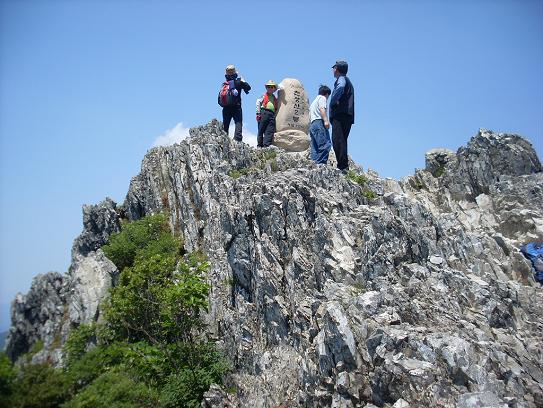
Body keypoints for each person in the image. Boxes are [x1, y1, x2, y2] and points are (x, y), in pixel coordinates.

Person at [329, 60, 355, 173]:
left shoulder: (342, 79)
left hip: (340, 114)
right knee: (342, 140)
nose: (333, 70)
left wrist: (333, 101)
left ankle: (343, 167)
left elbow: (340, 88)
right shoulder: (346, 80)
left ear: (337, 69)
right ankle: (343, 166)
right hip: (347, 115)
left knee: (337, 139)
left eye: (334, 68)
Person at [219, 64, 251, 142]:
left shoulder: (225, 84)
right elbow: (248, 88)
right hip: (237, 107)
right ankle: (237, 139)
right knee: (238, 122)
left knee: (225, 124)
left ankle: (224, 139)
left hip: (226, 107)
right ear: (234, 73)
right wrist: (244, 81)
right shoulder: (238, 81)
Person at [309, 85, 332, 164]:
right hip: (319, 122)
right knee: (325, 144)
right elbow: (322, 109)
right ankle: (321, 164)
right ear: (326, 94)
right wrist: (326, 121)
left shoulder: (313, 102)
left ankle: (313, 164)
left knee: (315, 147)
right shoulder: (322, 98)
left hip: (312, 124)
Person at [256, 80, 279, 148]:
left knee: (269, 131)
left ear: (274, 89)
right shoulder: (263, 96)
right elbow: (258, 103)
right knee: (261, 129)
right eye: (269, 86)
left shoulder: (274, 98)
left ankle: (266, 145)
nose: (270, 88)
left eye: (272, 87)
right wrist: (258, 113)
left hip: (272, 114)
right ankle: (259, 145)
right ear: (266, 88)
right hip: (264, 112)